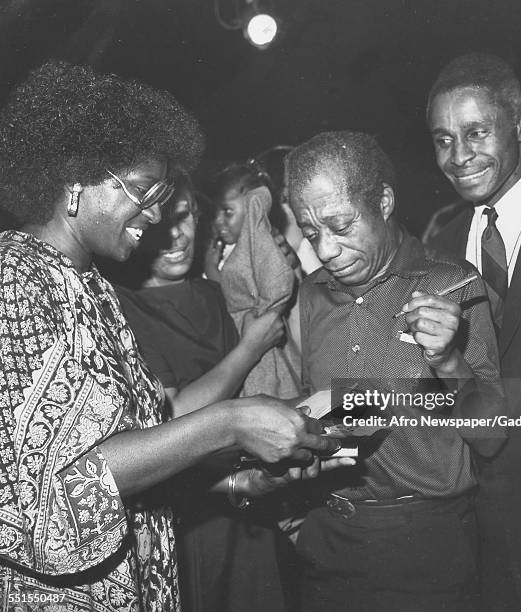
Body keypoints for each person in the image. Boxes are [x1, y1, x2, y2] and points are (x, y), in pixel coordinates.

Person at [0, 60, 341, 611]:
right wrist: (228, 422)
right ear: (72, 179)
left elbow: (137, 454)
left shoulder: (95, 290)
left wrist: (233, 485)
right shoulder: (15, 279)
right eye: (142, 189)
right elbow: (50, 497)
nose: (157, 213)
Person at [285, 131, 505, 611]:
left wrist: (448, 360)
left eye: (341, 226)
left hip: (425, 551)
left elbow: (491, 435)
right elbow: (330, 421)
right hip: (328, 543)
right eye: (310, 231)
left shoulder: (453, 283)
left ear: (383, 202)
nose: (325, 251)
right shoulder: (313, 294)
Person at [113, 171, 322, 612]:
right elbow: (175, 414)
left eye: (186, 216)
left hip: (252, 502)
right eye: (162, 220)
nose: (175, 234)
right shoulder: (124, 308)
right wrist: (249, 348)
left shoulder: (216, 291)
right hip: (189, 524)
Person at [427, 53, 521, 610]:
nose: (459, 156)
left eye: (475, 132)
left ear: (520, 124)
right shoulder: (440, 251)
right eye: (443, 139)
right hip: (486, 543)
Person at [205, 161, 302, 399]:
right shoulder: (221, 251)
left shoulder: (265, 247)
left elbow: (237, 294)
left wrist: (212, 272)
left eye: (228, 212)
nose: (218, 221)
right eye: (215, 212)